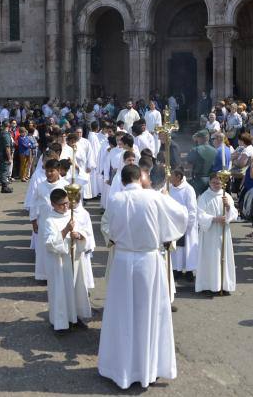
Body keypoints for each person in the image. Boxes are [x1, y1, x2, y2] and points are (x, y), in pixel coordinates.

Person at [97, 164, 186, 390]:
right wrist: (166, 198)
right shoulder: (154, 198)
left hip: (123, 260)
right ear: (140, 177)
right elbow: (181, 217)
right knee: (149, 313)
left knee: (122, 313)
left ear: (124, 180)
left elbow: (108, 229)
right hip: (148, 261)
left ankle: (120, 368)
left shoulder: (115, 200)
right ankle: (149, 368)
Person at [42, 188, 93, 332]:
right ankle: (61, 322)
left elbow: (86, 234)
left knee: (76, 288)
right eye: (61, 205)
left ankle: (76, 317)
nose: (65, 207)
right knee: (61, 291)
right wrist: (65, 230)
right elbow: (50, 243)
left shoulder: (72, 215)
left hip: (75, 259)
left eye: (66, 203)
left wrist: (79, 235)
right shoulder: (50, 220)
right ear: (53, 204)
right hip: (60, 263)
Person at [195, 172, 238, 294]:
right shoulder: (204, 197)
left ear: (222, 183)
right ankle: (209, 285)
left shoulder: (226, 196)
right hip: (209, 233)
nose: (216, 185)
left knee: (223, 257)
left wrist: (228, 207)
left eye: (218, 183)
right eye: (213, 182)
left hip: (223, 232)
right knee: (210, 258)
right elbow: (200, 215)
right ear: (209, 182)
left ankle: (224, 284)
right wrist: (214, 219)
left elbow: (234, 214)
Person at [30, 159, 69, 281]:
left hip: (61, 223)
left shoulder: (65, 185)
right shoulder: (40, 186)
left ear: (58, 171)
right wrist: (33, 220)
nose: (49, 174)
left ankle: (60, 274)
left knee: (59, 247)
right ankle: (44, 275)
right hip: (43, 222)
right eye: (47, 171)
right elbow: (34, 203)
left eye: (52, 171)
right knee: (43, 249)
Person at [168, 168, 198, 280]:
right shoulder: (170, 188)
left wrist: (188, 224)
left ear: (179, 177)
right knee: (176, 249)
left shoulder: (188, 190)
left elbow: (192, 208)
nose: (169, 177)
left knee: (186, 249)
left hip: (186, 225)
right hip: (173, 224)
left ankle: (189, 271)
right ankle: (177, 269)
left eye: (172, 175)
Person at [187, 130, 216, 195]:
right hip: (210, 180)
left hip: (198, 180)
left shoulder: (195, 150)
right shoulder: (215, 150)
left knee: (196, 201)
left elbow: (189, 165)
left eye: (197, 138)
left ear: (200, 138)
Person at [0, 121, 14, 193]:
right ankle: (4, 187)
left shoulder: (0, 133)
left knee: (3, 169)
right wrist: (10, 158)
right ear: (8, 126)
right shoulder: (5, 134)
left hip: (0, 153)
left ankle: (5, 186)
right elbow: (7, 147)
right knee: (5, 170)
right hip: (4, 154)